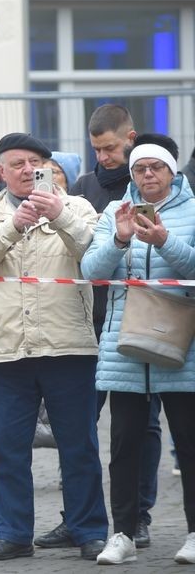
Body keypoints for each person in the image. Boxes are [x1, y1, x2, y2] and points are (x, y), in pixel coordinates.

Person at [0, 132, 107, 561]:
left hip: (68, 346)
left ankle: (87, 529)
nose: (27, 170)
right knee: (6, 448)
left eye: (35, 162)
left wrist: (59, 215)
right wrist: (14, 224)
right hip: (8, 350)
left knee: (79, 446)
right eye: (17, 163)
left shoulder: (77, 206)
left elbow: (96, 255)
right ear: (1, 172)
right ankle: (13, 533)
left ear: (48, 167)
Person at [40, 104, 158, 551]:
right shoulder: (84, 187)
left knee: (141, 427)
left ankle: (139, 518)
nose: (104, 156)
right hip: (89, 323)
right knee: (78, 427)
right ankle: (79, 518)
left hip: (143, 321)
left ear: (130, 138)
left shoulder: (149, 185)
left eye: (110, 148)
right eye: (96, 149)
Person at [81, 134, 195, 565]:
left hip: (180, 343)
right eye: (140, 169)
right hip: (123, 345)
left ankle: (194, 532)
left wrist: (165, 240)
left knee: (189, 443)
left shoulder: (193, 210)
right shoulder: (114, 212)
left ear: (171, 173)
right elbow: (91, 271)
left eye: (156, 168)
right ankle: (124, 533)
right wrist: (120, 240)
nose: (148, 175)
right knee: (124, 445)